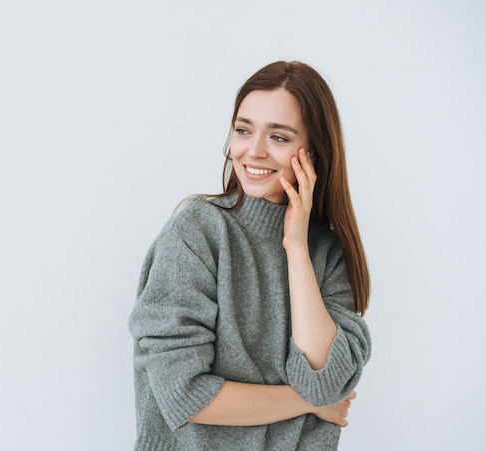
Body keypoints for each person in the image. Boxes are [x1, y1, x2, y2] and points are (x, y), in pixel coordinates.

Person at [128, 61, 371, 450]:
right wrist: (306, 402)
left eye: (279, 137)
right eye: (243, 130)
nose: (253, 151)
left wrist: (296, 248)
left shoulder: (326, 253)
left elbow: (326, 381)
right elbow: (184, 395)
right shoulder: (196, 232)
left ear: (314, 150)